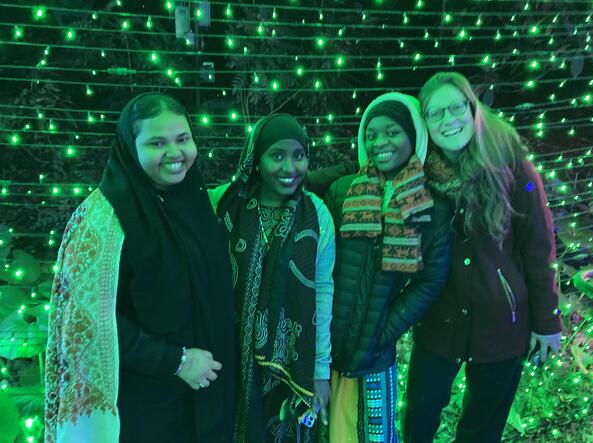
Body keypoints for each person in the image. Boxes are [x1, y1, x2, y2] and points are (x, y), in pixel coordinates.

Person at [44, 93, 236, 443]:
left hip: (203, 396)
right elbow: (89, 324)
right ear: (131, 148)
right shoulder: (102, 222)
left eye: (183, 139)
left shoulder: (193, 203)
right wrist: (175, 361)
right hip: (141, 407)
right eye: (157, 143)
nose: (175, 154)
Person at [403, 71, 563, 443]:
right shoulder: (413, 169)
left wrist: (548, 319)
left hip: (502, 324)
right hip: (437, 321)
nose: (449, 120)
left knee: (482, 429)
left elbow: (538, 244)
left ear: (472, 107)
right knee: (419, 415)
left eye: (456, 107)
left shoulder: (509, 161)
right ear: (423, 122)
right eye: (435, 113)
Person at [325, 92, 452, 443]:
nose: (380, 142)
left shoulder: (430, 207)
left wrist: (386, 329)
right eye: (371, 134)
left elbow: (431, 280)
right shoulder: (342, 192)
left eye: (392, 132)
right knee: (322, 429)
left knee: (374, 433)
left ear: (414, 135)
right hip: (325, 344)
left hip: (376, 352)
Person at [208, 113, 335, 442]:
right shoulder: (224, 204)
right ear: (256, 158)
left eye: (299, 155)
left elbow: (322, 292)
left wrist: (321, 370)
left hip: (292, 363)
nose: (290, 168)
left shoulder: (317, 215)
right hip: (228, 353)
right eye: (277, 155)